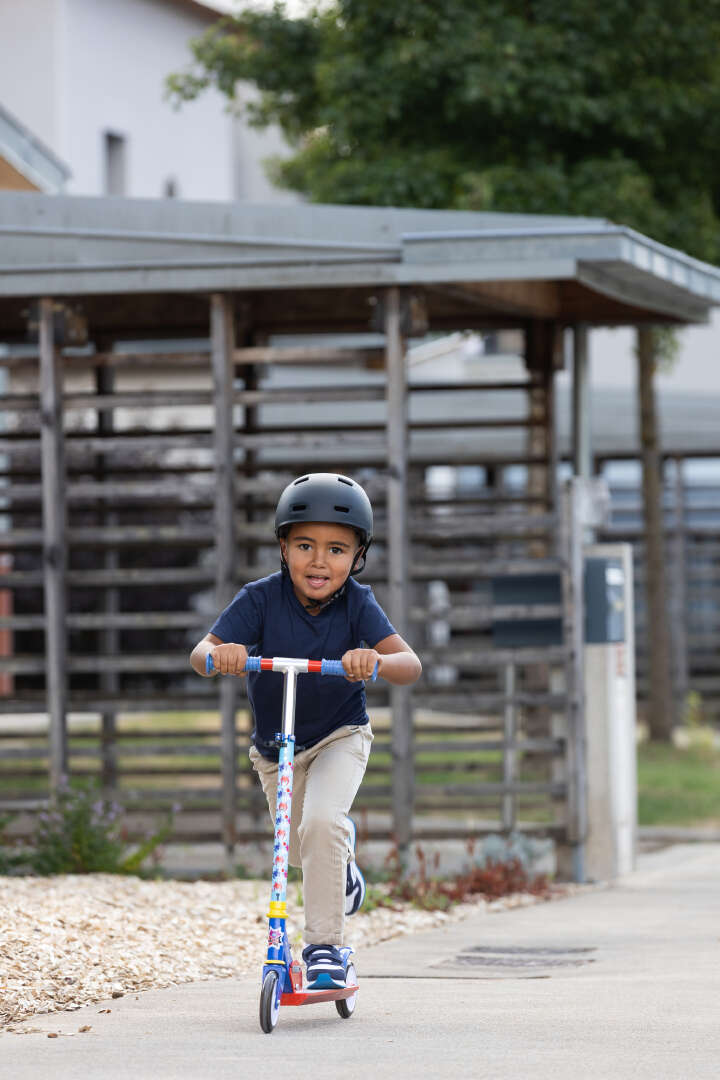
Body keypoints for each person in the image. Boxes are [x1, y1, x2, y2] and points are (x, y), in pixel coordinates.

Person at [190, 472, 422, 989]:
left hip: (340, 735)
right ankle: (343, 861)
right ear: (283, 547)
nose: (319, 561)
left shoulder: (358, 603)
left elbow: (410, 665)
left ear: (357, 556)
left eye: (336, 549)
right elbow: (200, 652)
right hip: (276, 748)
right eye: (304, 546)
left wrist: (375, 661)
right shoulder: (260, 599)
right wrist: (221, 655)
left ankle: (326, 948)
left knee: (320, 823)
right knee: (298, 851)